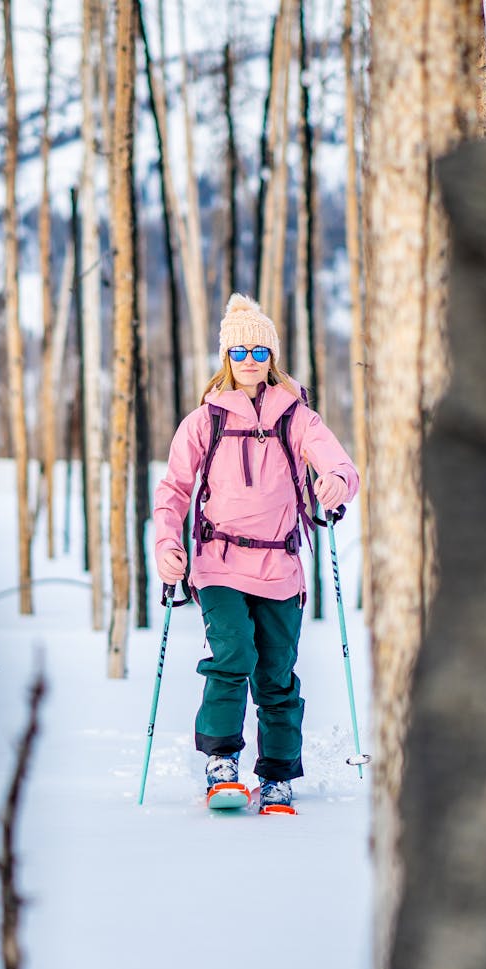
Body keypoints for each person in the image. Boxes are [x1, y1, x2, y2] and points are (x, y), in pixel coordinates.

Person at [153, 293, 359, 811]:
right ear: (227, 359)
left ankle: (278, 775)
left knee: (275, 672)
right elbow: (173, 489)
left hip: (280, 566)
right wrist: (166, 543)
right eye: (239, 353)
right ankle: (222, 762)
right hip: (217, 562)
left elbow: (341, 467)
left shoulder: (297, 418)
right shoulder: (204, 420)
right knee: (232, 655)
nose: (249, 361)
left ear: (272, 358)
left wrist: (335, 481)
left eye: (259, 352)